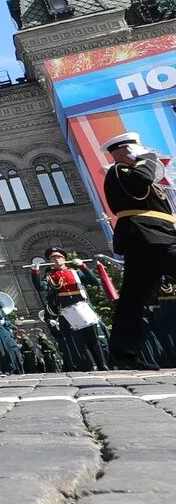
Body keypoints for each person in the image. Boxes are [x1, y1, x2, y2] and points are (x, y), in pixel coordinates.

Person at [99, 131, 171, 369]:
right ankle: (123, 354)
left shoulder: (138, 172)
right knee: (134, 298)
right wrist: (148, 158)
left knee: (133, 298)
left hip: (154, 236)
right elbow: (140, 185)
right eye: (135, 149)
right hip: (147, 236)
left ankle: (124, 353)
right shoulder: (120, 171)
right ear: (122, 152)